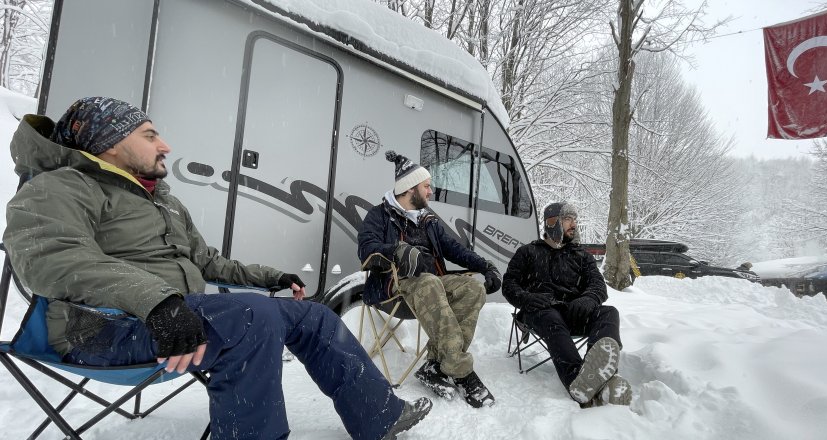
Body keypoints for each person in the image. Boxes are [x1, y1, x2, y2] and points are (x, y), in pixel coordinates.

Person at [3, 97, 431, 440]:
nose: (165, 145)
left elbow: (206, 261)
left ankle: (379, 417)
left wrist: (272, 277)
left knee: (315, 316)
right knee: (253, 317)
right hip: (100, 329)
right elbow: (51, 259)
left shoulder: (161, 200)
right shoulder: (60, 185)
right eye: (150, 135)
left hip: (172, 318)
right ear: (108, 143)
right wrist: (158, 302)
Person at [357, 151, 502, 408]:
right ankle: (461, 371)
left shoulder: (428, 221)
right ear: (410, 189)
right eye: (426, 186)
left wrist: (486, 266)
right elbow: (366, 249)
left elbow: (455, 249)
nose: (431, 191)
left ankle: (435, 366)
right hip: (395, 288)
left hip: (432, 287)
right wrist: (398, 251)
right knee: (429, 282)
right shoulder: (379, 215)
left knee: (472, 289)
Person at [502, 201, 632, 408]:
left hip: (573, 312)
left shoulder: (581, 256)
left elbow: (598, 285)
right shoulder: (528, 252)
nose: (574, 224)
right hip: (540, 312)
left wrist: (589, 298)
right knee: (550, 316)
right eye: (568, 219)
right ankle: (576, 381)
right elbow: (508, 285)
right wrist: (527, 298)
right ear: (552, 222)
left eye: (575, 220)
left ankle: (597, 374)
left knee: (609, 313)